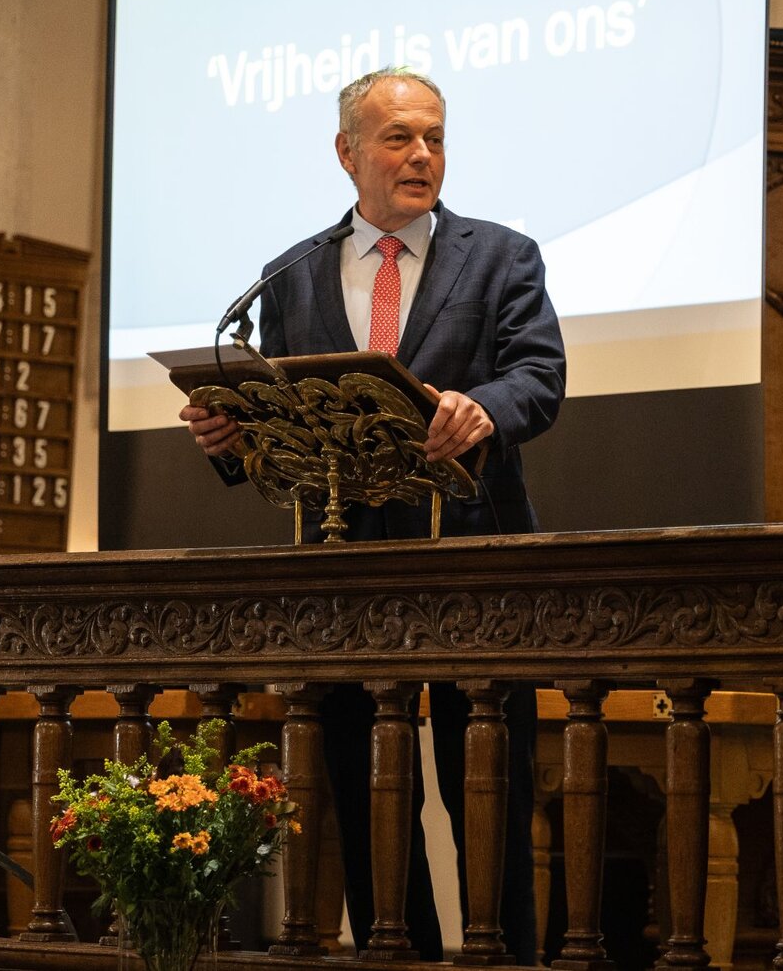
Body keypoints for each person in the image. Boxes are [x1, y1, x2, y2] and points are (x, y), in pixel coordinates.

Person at [180, 69, 564, 962]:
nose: (422, 155)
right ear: (347, 152)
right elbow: (280, 415)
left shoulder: (502, 256)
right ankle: (396, 953)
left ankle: (503, 959)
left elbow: (540, 377)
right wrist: (230, 434)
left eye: (434, 137)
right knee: (363, 790)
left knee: (486, 791)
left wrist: (484, 408)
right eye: (399, 138)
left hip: (471, 560)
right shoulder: (293, 274)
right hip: (343, 569)